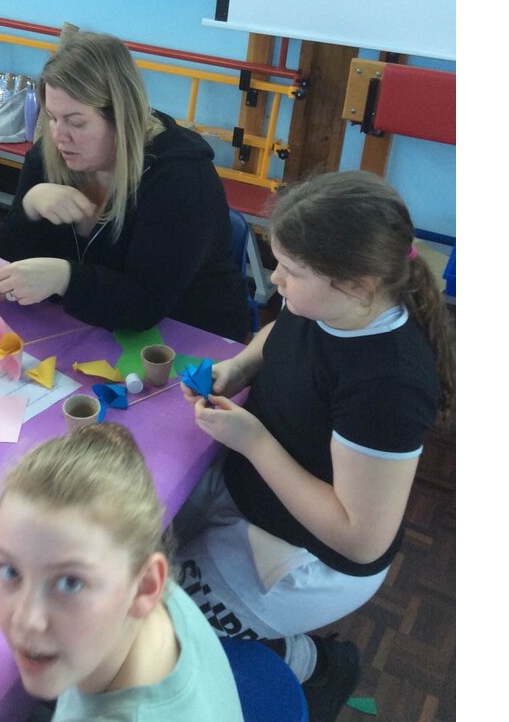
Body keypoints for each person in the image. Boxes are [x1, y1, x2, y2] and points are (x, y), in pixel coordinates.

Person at [171, 171, 456, 722]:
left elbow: (360, 538)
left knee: (158, 627)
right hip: (253, 491)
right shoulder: (322, 304)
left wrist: (254, 442)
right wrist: (240, 366)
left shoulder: (389, 384)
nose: (275, 279)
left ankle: (312, 664)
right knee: (132, 550)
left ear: (360, 284)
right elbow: (281, 335)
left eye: (292, 271)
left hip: (310, 553)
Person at [0, 423, 246, 722]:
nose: (25, 620)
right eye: (10, 569)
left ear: (145, 586)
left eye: (70, 582)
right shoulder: (137, 581)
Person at [0, 28, 249, 343]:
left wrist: (64, 278)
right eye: (52, 117)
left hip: (190, 336)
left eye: (76, 122)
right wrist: (30, 207)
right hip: (91, 328)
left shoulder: (181, 178)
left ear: (122, 117)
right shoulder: (50, 156)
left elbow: (145, 305)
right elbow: (12, 264)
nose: (58, 135)